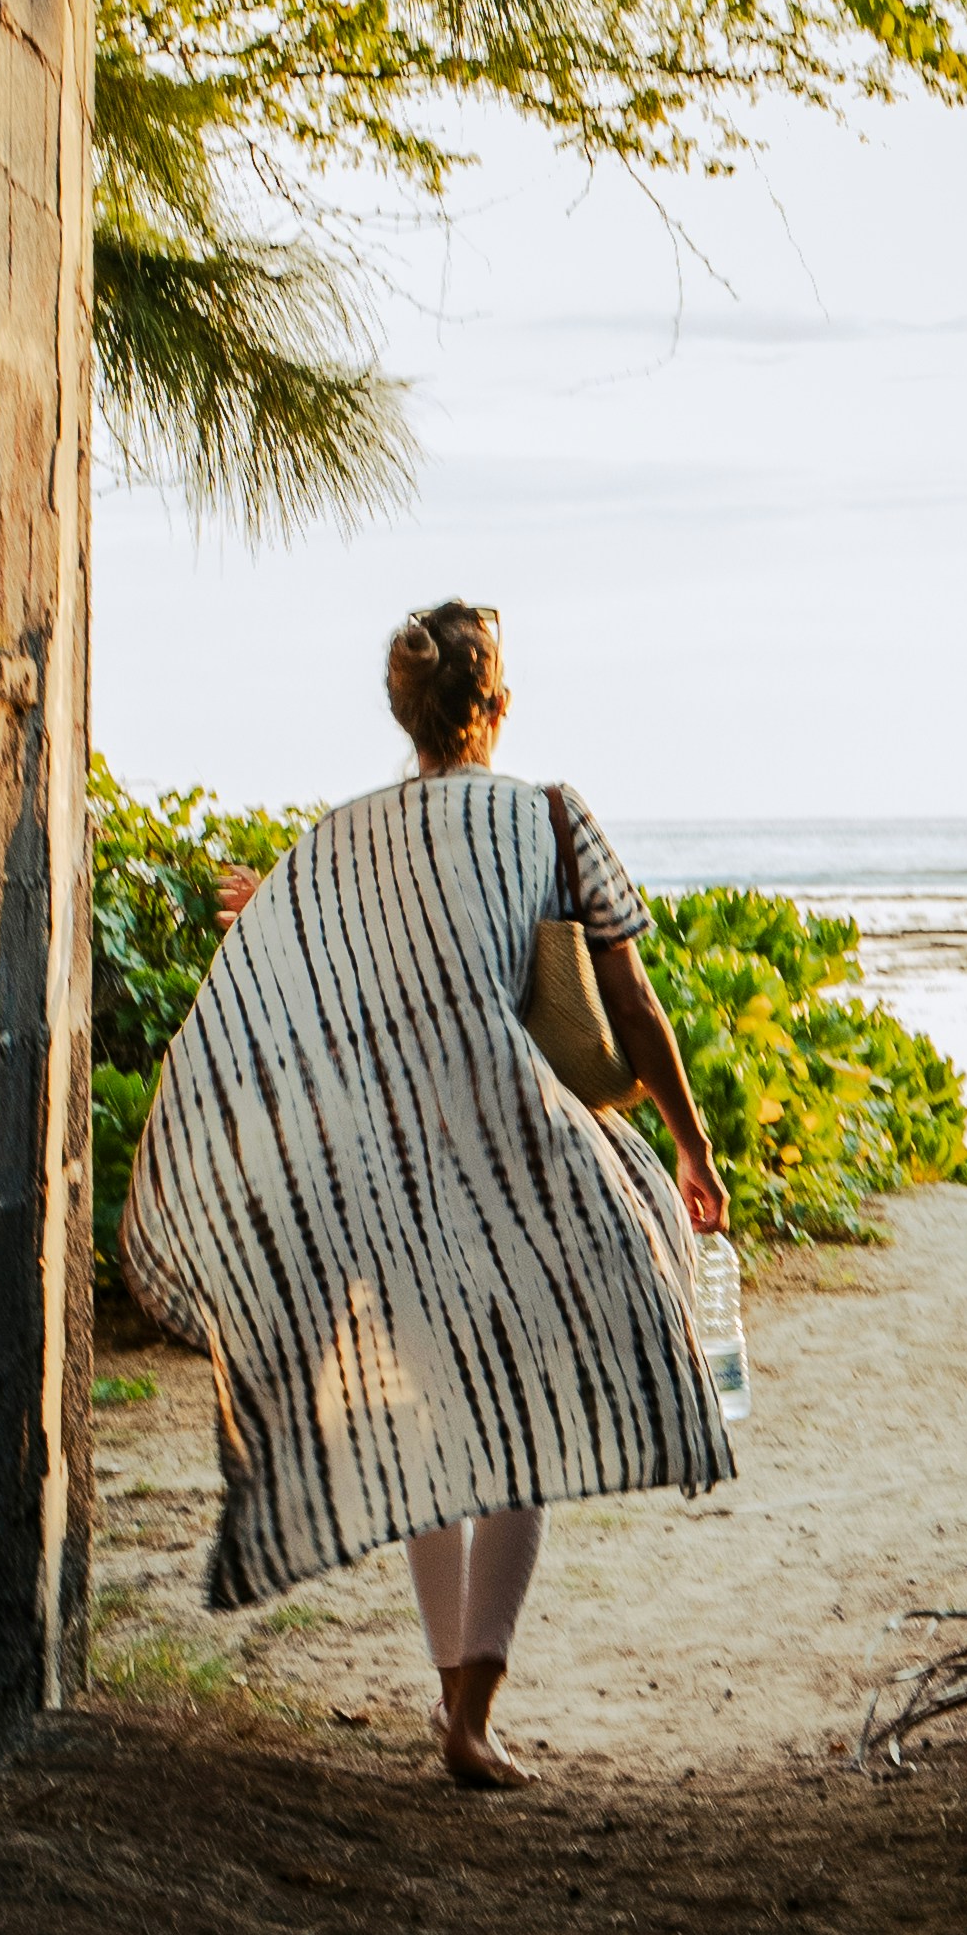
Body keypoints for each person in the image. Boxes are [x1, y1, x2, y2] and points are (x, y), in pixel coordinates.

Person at [115, 601, 734, 1786]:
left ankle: (457, 1699)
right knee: (525, 1418)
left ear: (402, 714)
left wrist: (274, 911)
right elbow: (634, 1004)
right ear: (494, 707)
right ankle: (471, 1710)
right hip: (519, 1164)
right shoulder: (551, 817)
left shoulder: (344, 840)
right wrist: (691, 1145)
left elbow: (309, 963)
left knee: (425, 1426)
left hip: (386, 1174)